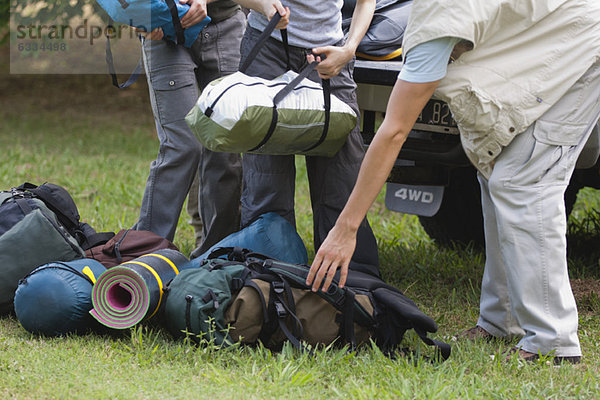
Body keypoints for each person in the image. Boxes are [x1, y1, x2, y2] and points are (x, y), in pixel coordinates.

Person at [306, 0, 600, 363]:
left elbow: (394, 131)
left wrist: (346, 228)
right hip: (539, 36)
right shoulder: (431, 18)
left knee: (524, 182)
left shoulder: (437, 25)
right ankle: (500, 320)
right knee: (497, 171)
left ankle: (553, 344)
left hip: (581, 41)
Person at [232, 0, 381, 276]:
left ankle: (352, 283)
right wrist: (263, 6)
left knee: (342, 178)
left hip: (331, 52)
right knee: (267, 183)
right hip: (269, 48)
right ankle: (268, 283)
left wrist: (348, 50)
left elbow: (365, 2)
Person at [133, 0, 246, 255]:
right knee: (183, 145)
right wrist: (139, 14)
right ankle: (143, 255)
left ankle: (216, 255)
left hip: (225, 23)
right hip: (166, 34)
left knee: (225, 146)